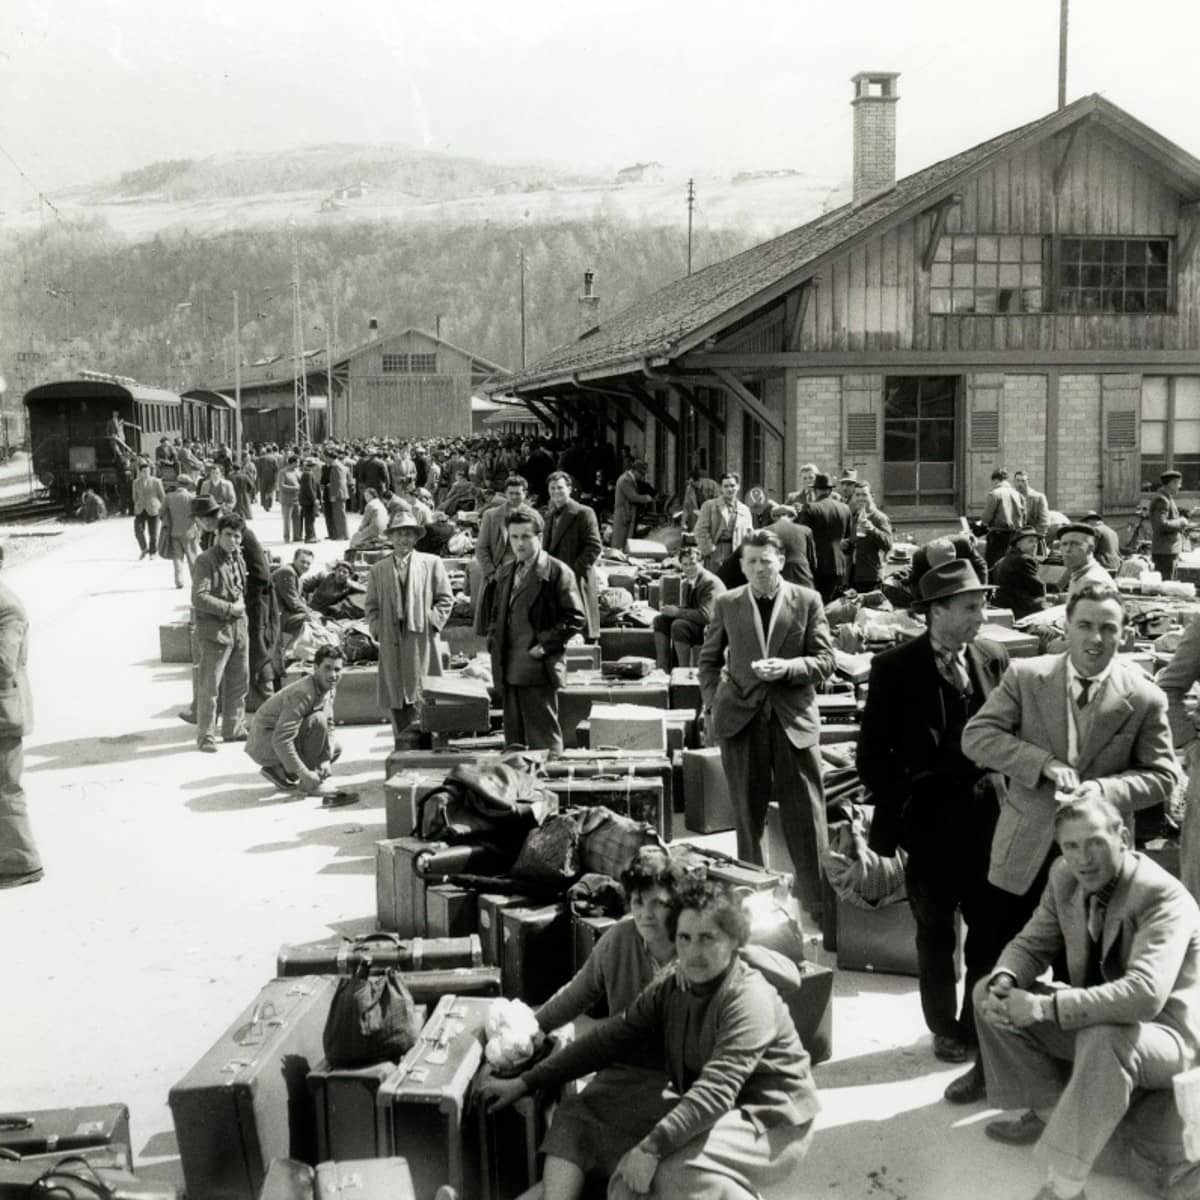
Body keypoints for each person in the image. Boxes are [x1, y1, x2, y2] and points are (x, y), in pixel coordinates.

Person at [478, 877, 820, 1200]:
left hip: (771, 1121)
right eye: (684, 938)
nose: (693, 952)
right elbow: (611, 1038)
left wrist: (651, 1148)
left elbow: (717, 1089)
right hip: (713, 1108)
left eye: (708, 938)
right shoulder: (673, 985)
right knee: (584, 1118)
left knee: (668, 1171)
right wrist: (526, 1082)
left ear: (733, 942)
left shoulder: (748, 997)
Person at [961, 582, 1182, 1038]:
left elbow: (1163, 777)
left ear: (1124, 634)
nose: (1095, 639)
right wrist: (1042, 764)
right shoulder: (1027, 676)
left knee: (1083, 968)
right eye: (1084, 625)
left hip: (1096, 859)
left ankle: (1075, 1072)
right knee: (994, 954)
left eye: (1108, 628)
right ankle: (985, 1059)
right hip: (1024, 848)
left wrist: (1102, 789)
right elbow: (977, 737)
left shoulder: (1144, 697)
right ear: (1066, 625)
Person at [972, 793, 1200, 1200]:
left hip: (1168, 1038)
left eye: (1095, 842)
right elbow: (1031, 944)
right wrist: (1005, 981)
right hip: (1103, 1017)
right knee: (985, 994)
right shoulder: (1064, 876)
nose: (1083, 858)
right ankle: (1050, 1115)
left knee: (1104, 1038)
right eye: (1071, 846)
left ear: (1123, 837)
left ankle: (1065, 1186)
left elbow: (1144, 996)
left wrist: (1043, 1006)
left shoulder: (1162, 896)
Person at [858, 560, 1010, 1097]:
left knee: (990, 929)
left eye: (980, 605)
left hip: (990, 822)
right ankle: (944, 1027)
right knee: (935, 932)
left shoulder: (994, 657)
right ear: (936, 612)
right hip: (929, 825)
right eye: (970, 607)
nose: (981, 616)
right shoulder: (895, 668)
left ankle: (977, 1025)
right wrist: (907, 806)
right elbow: (871, 759)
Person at [697, 529, 834, 915]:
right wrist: (713, 700)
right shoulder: (727, 603)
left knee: (806, 815)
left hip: (792, 720)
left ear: (781, 562)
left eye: (766, 561)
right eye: (751, 562)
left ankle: (816, 902)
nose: (759, 568)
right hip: (742, 719)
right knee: (746, 815)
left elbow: (826, 661)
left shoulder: (807, 600)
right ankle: (753, 906)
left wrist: (789, 668)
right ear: (741, 565)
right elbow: (708, 660)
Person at [488, 508, 586, 753]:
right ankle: (517, 786)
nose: (519, 543)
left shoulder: (556, 571)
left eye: (526, 537)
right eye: (514, 537)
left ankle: (549, 784)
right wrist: (493, 641)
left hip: (537, 667)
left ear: (539, 537)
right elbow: (497, 613)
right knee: (514, 741)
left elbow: (575, 617)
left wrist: (544, 647)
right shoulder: (507, 571)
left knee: (544, 737)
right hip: (507, 664)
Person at [364, 511, 454, 746]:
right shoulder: (378, 569)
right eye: (399, 534)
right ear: (391, 538)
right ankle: (403, 747)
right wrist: (377, 628)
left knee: (423, 693)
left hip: (420, 638)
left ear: (415, 538)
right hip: (391, 638)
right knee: (397, 695)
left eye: (408, 534)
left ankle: (426, 746)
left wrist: (432, 622)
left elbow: (446, 598)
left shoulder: (431, 563)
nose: (403, 539)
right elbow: (371, 606)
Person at [245, 645, 355, 803]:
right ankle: (307, 783)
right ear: (316, 668)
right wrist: (305, 774)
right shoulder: (302, 693)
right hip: (264, 744)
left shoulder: (329, 686)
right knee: (317, 721)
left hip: (276, 740)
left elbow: (330, 725)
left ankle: (280, 772)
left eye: (337, 669)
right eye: (327, 668)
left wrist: (324, 759)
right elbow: (282, 739)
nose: (333, 675)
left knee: (334, 749)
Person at [191, 512, 250, 753]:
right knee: (210, 686)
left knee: (239, 682)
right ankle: (206, 736)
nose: (232, 540)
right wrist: (229, 609)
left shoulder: (237, 557)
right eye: (227, 535)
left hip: (239, 629)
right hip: (215, 631)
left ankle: (233, 728)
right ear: (217, 534)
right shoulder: (205, 560)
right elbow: (199, 597)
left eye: (237, 536)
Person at [0, 546, 40, 890]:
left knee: (5, 788)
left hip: (4, 713)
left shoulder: (6, 606)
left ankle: (22, 863)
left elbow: (3, 663)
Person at [543, 470, 603, 643]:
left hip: (577, 578)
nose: (556, 492)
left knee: (581, 625)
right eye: (552, 488)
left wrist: (574, 571)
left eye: (560, 488)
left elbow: (594, 546)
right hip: (554, 580)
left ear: (569, 489)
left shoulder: (584, 513)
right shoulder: (550, 515)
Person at [652, 544, 724, 671]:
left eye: (692, 563)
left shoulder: (710, 583)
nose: (689, 568)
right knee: (660, 620)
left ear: (701, 562)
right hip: (697, 624)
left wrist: (677, 611)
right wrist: (671, 610)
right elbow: (688, 608)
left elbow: (705, 616)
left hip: (713, 629)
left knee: (679, 626)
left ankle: (682, 671)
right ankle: (663, 668)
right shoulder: (687, 583)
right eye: (685, 565)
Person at [474, 475, 530, 634]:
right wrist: (492, 573)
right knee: (497, 621)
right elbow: (481, 548)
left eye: (518, 493)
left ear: (525, 494)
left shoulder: (534, 516)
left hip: (525, 575)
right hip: (500, 574)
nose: (514, 497)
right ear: (505, 493)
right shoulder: (491, 515)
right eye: (511, 493)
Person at [797, 473, 853, 602]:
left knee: (817, 606)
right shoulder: (844, 508)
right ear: (830, 490)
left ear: (815, 490)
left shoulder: (810, 508)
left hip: (817, 566)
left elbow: (801, 537)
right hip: (839, 566)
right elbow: (849, 539)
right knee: (833, 606)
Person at [694, 472, 754, 572]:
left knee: (734, 584)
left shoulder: (745, 510)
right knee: (716, 583)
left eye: (732, 485)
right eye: (726, 486)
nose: (729, 489)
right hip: (717, 551)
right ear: (721, 488)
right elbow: (700, 530)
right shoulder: (710, 506)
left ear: (738, 487)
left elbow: (749, 534)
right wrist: (709, 550)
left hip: (737, 553)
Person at [272, 547, 316, 679]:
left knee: (311, 618)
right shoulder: (287, 572)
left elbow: (300, 600)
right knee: (307, 620)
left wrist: (312, 611)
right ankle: (291, 654)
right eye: (302, 561)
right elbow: (293, 602)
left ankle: (293, 652)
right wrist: (311, 615)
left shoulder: (297, 575)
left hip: (283, 613)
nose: (305, 565)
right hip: (275, 615)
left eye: (308, 563)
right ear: (294, 560)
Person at [843, 481, 893, 590]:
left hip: (871, 577)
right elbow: (854, 544)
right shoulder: (855, 516)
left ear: (871, 496)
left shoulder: (879, 518)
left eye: (864, 494)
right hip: (853, 576)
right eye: (857, 495)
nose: (861, 498)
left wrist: (872, 529)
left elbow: (888, 545)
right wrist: (845, 543)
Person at [993, 527, 1047, 619]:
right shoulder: (1025, 559)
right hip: (1020, 610)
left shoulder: (1003, 560)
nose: (1035, 545)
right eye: (1030, 541)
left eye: (1036, 542)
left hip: (1002, 607)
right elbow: (1039, 588)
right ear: (1018, 543)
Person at [762, 505, 817, 590]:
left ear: (774, 518)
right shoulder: (806, 530)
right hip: (802, 577)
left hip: (776, 579)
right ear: (792, 517)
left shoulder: (765, 531)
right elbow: (813, 562)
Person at [1149, 469, 1190, 581]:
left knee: (1168, 583)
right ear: (1171, 483)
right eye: (1178, 483)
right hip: (1165, 551)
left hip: (1168, 550)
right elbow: (1161, 524)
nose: (1179, 486)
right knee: (1166, 585)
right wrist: (1181, 522)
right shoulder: (1162, 499)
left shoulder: (1166, 498)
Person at [982, 469, 1026, 569]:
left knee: (994, 566)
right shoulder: (1018, 495)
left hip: (998, 536)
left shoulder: (994, 494)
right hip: (1015, 535)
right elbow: (1024, 517)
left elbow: (986, 519)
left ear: (995, 480)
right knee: (1012, 565)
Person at [1055, 523, 1114, 598]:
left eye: (1075, 544)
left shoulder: (1092, 581)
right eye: (1064, 544)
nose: (1067, 549)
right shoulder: (1080, 573)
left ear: (1091, 548)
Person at [161, 475, 198, 589]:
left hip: (174, 532)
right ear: (187, 485)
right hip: (190, 532)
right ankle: (195, 581)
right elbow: (197, 515)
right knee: (192, 558)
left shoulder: (169, 497)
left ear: (178, 484)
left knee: (177, 558)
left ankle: (179, 581)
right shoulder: (192, 498)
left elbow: (161, 513)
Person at [611, 460, 652, 553]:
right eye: (641, 474)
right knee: (620, 541)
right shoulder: (625, 480)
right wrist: (647, 498)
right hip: (623, 515)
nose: (642, 477)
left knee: (626, 541)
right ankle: (617, 559)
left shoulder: (629, 479)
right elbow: (633, 497)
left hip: (626, 514)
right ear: (635, 470)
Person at [131, 460, 165, 561]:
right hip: (140, 508)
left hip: (153, 508)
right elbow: (134, 497)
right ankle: (144, 548)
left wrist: (163, 509)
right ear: (140, 472)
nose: (146, 473)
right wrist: (138, 504)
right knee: (138, 531)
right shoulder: (135, 482)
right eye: (144, 471)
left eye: (148, 471)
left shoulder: (156, 481)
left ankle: (153, 552)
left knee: (153, 533)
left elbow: (162, 496)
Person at [1013, 470, 1051, 552]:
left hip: (1033, 540)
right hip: (1016, 541)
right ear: (1014, 481)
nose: (1020, 484)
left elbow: (1044, 522)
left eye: (1023, 481)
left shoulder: (1038, 497)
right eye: (1018, 480)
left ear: (1027, 481)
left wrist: (1035, 539)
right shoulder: (1012, 496)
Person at [681, 466, 719, 532]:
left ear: (693, 479)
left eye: (689, 479)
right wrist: (683, 522)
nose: (687, 482)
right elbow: (686, 506)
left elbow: (719, 503)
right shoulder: (689, 489)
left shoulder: (712, 485)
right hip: (696, 519)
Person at [326, 450, 350, 540]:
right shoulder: (340, 465)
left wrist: (334, 495)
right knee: (341, 514)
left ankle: (342, 535)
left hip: (338, 494)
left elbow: (338, 482)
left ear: (329, 458)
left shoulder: (335, 466)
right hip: (341, 492)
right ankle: (344, 534)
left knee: (339, 515)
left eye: (326, 458)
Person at [277, 455, 302, 543]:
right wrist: (295, 488)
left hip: (297, 499)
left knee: (297, 518)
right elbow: (281, 485)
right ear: (293, 463)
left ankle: (297, 536)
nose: (299, 464)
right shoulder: (283, 472)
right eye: (297, 462)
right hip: (287, 500)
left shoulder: (297, 472)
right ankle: (286, 537)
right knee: (287, 520)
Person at [298, 458, 321, 543]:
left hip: (306, 500)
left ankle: (312, 535)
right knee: (309, 519)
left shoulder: (306, 473)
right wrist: (314, 499)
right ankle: (309, 536)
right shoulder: (308, 474)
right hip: (308, 500)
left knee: (310, 518)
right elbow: (309, 489)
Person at [255, 445, 279, 512]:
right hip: (271, 477)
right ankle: (269, 504)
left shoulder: (261, 458)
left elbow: (258, 469)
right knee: (270, 491)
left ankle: (264, 503)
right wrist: (276, 478)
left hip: (262, 477)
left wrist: (259, 476)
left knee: (263, 491)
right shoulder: (274, 458)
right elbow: (276, 469)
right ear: (271, 451)